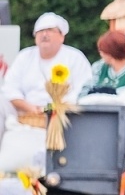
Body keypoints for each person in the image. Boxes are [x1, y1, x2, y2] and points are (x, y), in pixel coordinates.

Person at [0, 12, 92, 173]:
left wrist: (54, 109)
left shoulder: (75, 58)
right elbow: (10, 87)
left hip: (63, 117)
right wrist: (29, 107)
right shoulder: (25, 57)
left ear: (61, 36)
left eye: (50, 30)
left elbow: (83, 89)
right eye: (40, 31)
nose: (44, 34)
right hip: (26, 113)